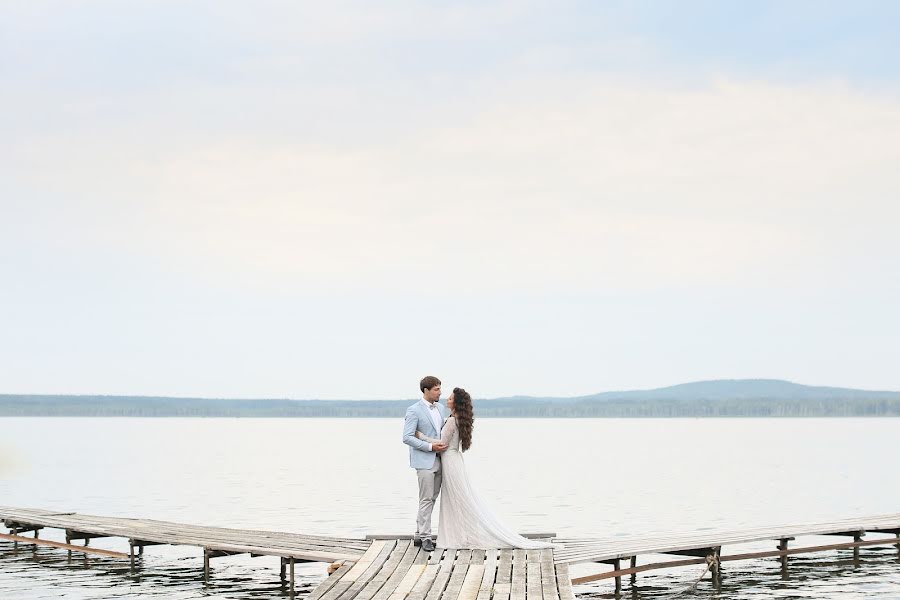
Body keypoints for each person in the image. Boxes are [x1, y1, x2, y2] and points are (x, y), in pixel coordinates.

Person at [415, 387, 556, 550]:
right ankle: (460, 534)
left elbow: (442, 443)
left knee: (456, 500)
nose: (447, 399)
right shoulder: (458, 418)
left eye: (451, 398)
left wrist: (421, 436)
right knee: (456, 500)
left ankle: (459, 536)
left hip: (450, 461)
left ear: (457, 403)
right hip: (453, 461)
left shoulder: (453, 420)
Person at [402, 375, 448, 552]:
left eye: (440, 388)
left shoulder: (441, 408)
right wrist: (430, 446)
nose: (440, 392)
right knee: (426, 498)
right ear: (426, 390)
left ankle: (418, 533)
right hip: (424, 461)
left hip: (440, 460)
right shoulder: (413, 410)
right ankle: (426, 537)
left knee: (432, 498)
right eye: (436, 389)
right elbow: (407, 437)